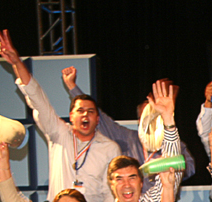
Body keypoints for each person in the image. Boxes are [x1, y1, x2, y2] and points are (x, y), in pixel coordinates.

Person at [0, 29, 119, 202]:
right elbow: (38, 100)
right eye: (80, 111)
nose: (85, 115)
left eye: (91, 112)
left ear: (97, 119)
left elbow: (111, 194)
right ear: (71, 116)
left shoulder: (110, 148)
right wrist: (17, 63)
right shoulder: (59, 133)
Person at [62, 67, 196, 184]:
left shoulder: (172, 144)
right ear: (139, 120)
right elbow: (100, 118)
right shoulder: (127, 138)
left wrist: (165, 167)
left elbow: (190, 167)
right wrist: (72, 86)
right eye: (146, 117)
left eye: (156, 116)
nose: (151, 122)